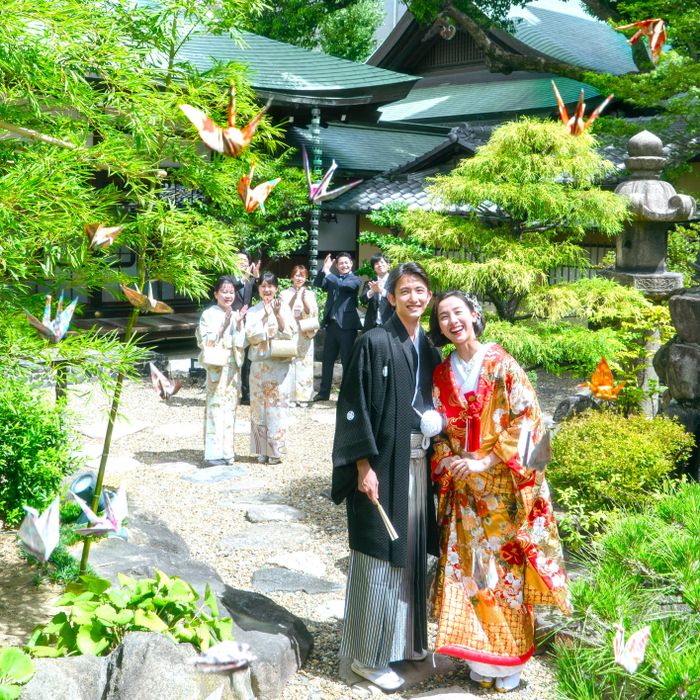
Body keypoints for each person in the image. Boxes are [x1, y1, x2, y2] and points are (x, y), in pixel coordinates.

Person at [428, 291, 570, 693]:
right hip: (465, 494)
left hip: (504, 492)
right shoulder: (442, 374)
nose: (453, 321)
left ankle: (508, 662)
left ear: (475, 315)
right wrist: (448, 460)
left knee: (504, 575)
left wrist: (486, 461)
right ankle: (479, 660)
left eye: (459, 313)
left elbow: (529, 420)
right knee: (469, 575)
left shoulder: (502, 364)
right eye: (443, 317)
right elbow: (439, 429)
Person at [331, 262, 441, 692]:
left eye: (420, 290)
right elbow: (352, 405)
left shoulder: (427, 347)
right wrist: (363, 466)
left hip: (417, 464)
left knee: (411, 552)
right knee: (378, 551)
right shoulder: (373, 341)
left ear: (427, 297)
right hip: (381, 465)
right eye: (405, 290)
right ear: (390, 297)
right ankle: (364, 656)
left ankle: (406, 643)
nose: (414, 297)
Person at [244, 271, 296, 464]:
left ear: (276, 288)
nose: (267, 290)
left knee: (277, 407)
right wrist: (265, 318)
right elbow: (251, 336)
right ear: (259, 289)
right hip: (259, 363)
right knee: (258, 407)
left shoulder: (284, 307)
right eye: (263, 286)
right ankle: (261, 449)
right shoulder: (253, 311)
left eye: (270, 286)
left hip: (278, 364)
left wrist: (276, 315)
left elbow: (290, 332)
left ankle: (275, 451)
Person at [196, 275, 246, 466]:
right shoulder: (208, 314)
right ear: (216, 293)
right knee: (216, 406)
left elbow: (241, 343)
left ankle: (227, 451)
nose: (228, 295)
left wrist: (239, 323)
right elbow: (206, 341)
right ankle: (213, 453)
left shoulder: (235, 314)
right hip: (217, 366)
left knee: (230, 407)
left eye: (231, 292)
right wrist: (224, 326)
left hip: (232, 367)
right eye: (224, 292)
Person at [312, 252, 362, 401]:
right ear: (336, 265)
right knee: (327, 360)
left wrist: (328, 273)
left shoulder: (355, 280)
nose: (344, 265)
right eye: (341, 263)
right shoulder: (332, 278)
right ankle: (324, 392)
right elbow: (318, 284)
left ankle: (347, 394)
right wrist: (323, 269)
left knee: (347, 361)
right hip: (332, 325)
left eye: (347, 263)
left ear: (351, 264)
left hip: (347, 326)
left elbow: (342, 285)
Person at [280, 265, 319, 406]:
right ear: (291, 277)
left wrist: (303, 300)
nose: (299, 278)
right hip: (291, 330)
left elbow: (312, 313)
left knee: (304, 363)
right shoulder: (284, 293)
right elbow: (282, 311)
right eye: (296, 275)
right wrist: (294, 297)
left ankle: (303, 397)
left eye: (302, 275)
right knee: (289, 362)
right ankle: (289, 397)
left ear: (306, 278)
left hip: (304, 331)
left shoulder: (310, 294)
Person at [232, 252, 260, 406]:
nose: (242, 262)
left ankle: (246, 394)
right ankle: (230, 391)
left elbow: (259, 291)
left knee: (247, 361)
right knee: (232, 357)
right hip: (231, 323)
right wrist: (245, 277)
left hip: (247, 323)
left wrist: (255, 277)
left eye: (245, 260)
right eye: (239, 260)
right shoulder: (228, 277)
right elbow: (231, 287)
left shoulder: (249, 281)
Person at [360, 253, 393, 332]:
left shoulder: (395, 282)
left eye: (382, 262)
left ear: (388, 265)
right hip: (372, 324)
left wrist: (381, 291)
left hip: (390, 323)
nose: (380, 265)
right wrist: (372, 291)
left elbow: (397, 300)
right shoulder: (370, 283)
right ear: (374, 268)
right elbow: (363, 300)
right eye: (376, 263)